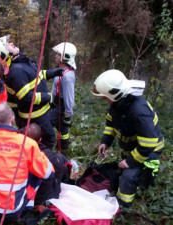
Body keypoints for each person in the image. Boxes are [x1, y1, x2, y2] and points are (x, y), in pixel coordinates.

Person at [0, 103, 55, 221]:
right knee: (37, 173)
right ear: (12, 119)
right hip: (10, 211)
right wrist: (41, 155)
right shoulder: (28, 143)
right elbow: (47, 173)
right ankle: (28, 206)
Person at [92, 69, 164, 208]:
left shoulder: (138, 112)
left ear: (115, 93)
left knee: (128, 176)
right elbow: (110, 124)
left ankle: (123, 206)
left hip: (149, 150)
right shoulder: (117, 104)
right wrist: (105, 142)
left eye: (105, 96)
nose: (104, 99)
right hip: (133, 146)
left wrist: (130, 161)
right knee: (123, 169)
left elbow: (149, 143)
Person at [0, 35, 63, 149]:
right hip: (34, 115)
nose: (12, 43)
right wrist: (48, 97)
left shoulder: (23, 62)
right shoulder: (17, 71)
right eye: (7, 44)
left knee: (42, 139)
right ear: (5, 54)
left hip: (40, 111)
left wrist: (53, 72)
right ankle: (39, 162)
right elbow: (27, 97)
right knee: (47, 140)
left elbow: (37, 75)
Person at [20, 123, 71, 205]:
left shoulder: (15, 155)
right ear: (40, 140)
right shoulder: (53, 158)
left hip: (24, 199)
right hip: (45, 198)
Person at [49, 42, 77, 153]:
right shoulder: (60, 71)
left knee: (47, 124)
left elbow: (69, 96)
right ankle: (63, 148)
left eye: (58, 54)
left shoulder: (68, 76)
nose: (56, 56)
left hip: (61, 106)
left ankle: (60, 148)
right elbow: (54, 87)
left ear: (64, 57)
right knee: (63, 129)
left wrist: (68, 114)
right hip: (55, 103)